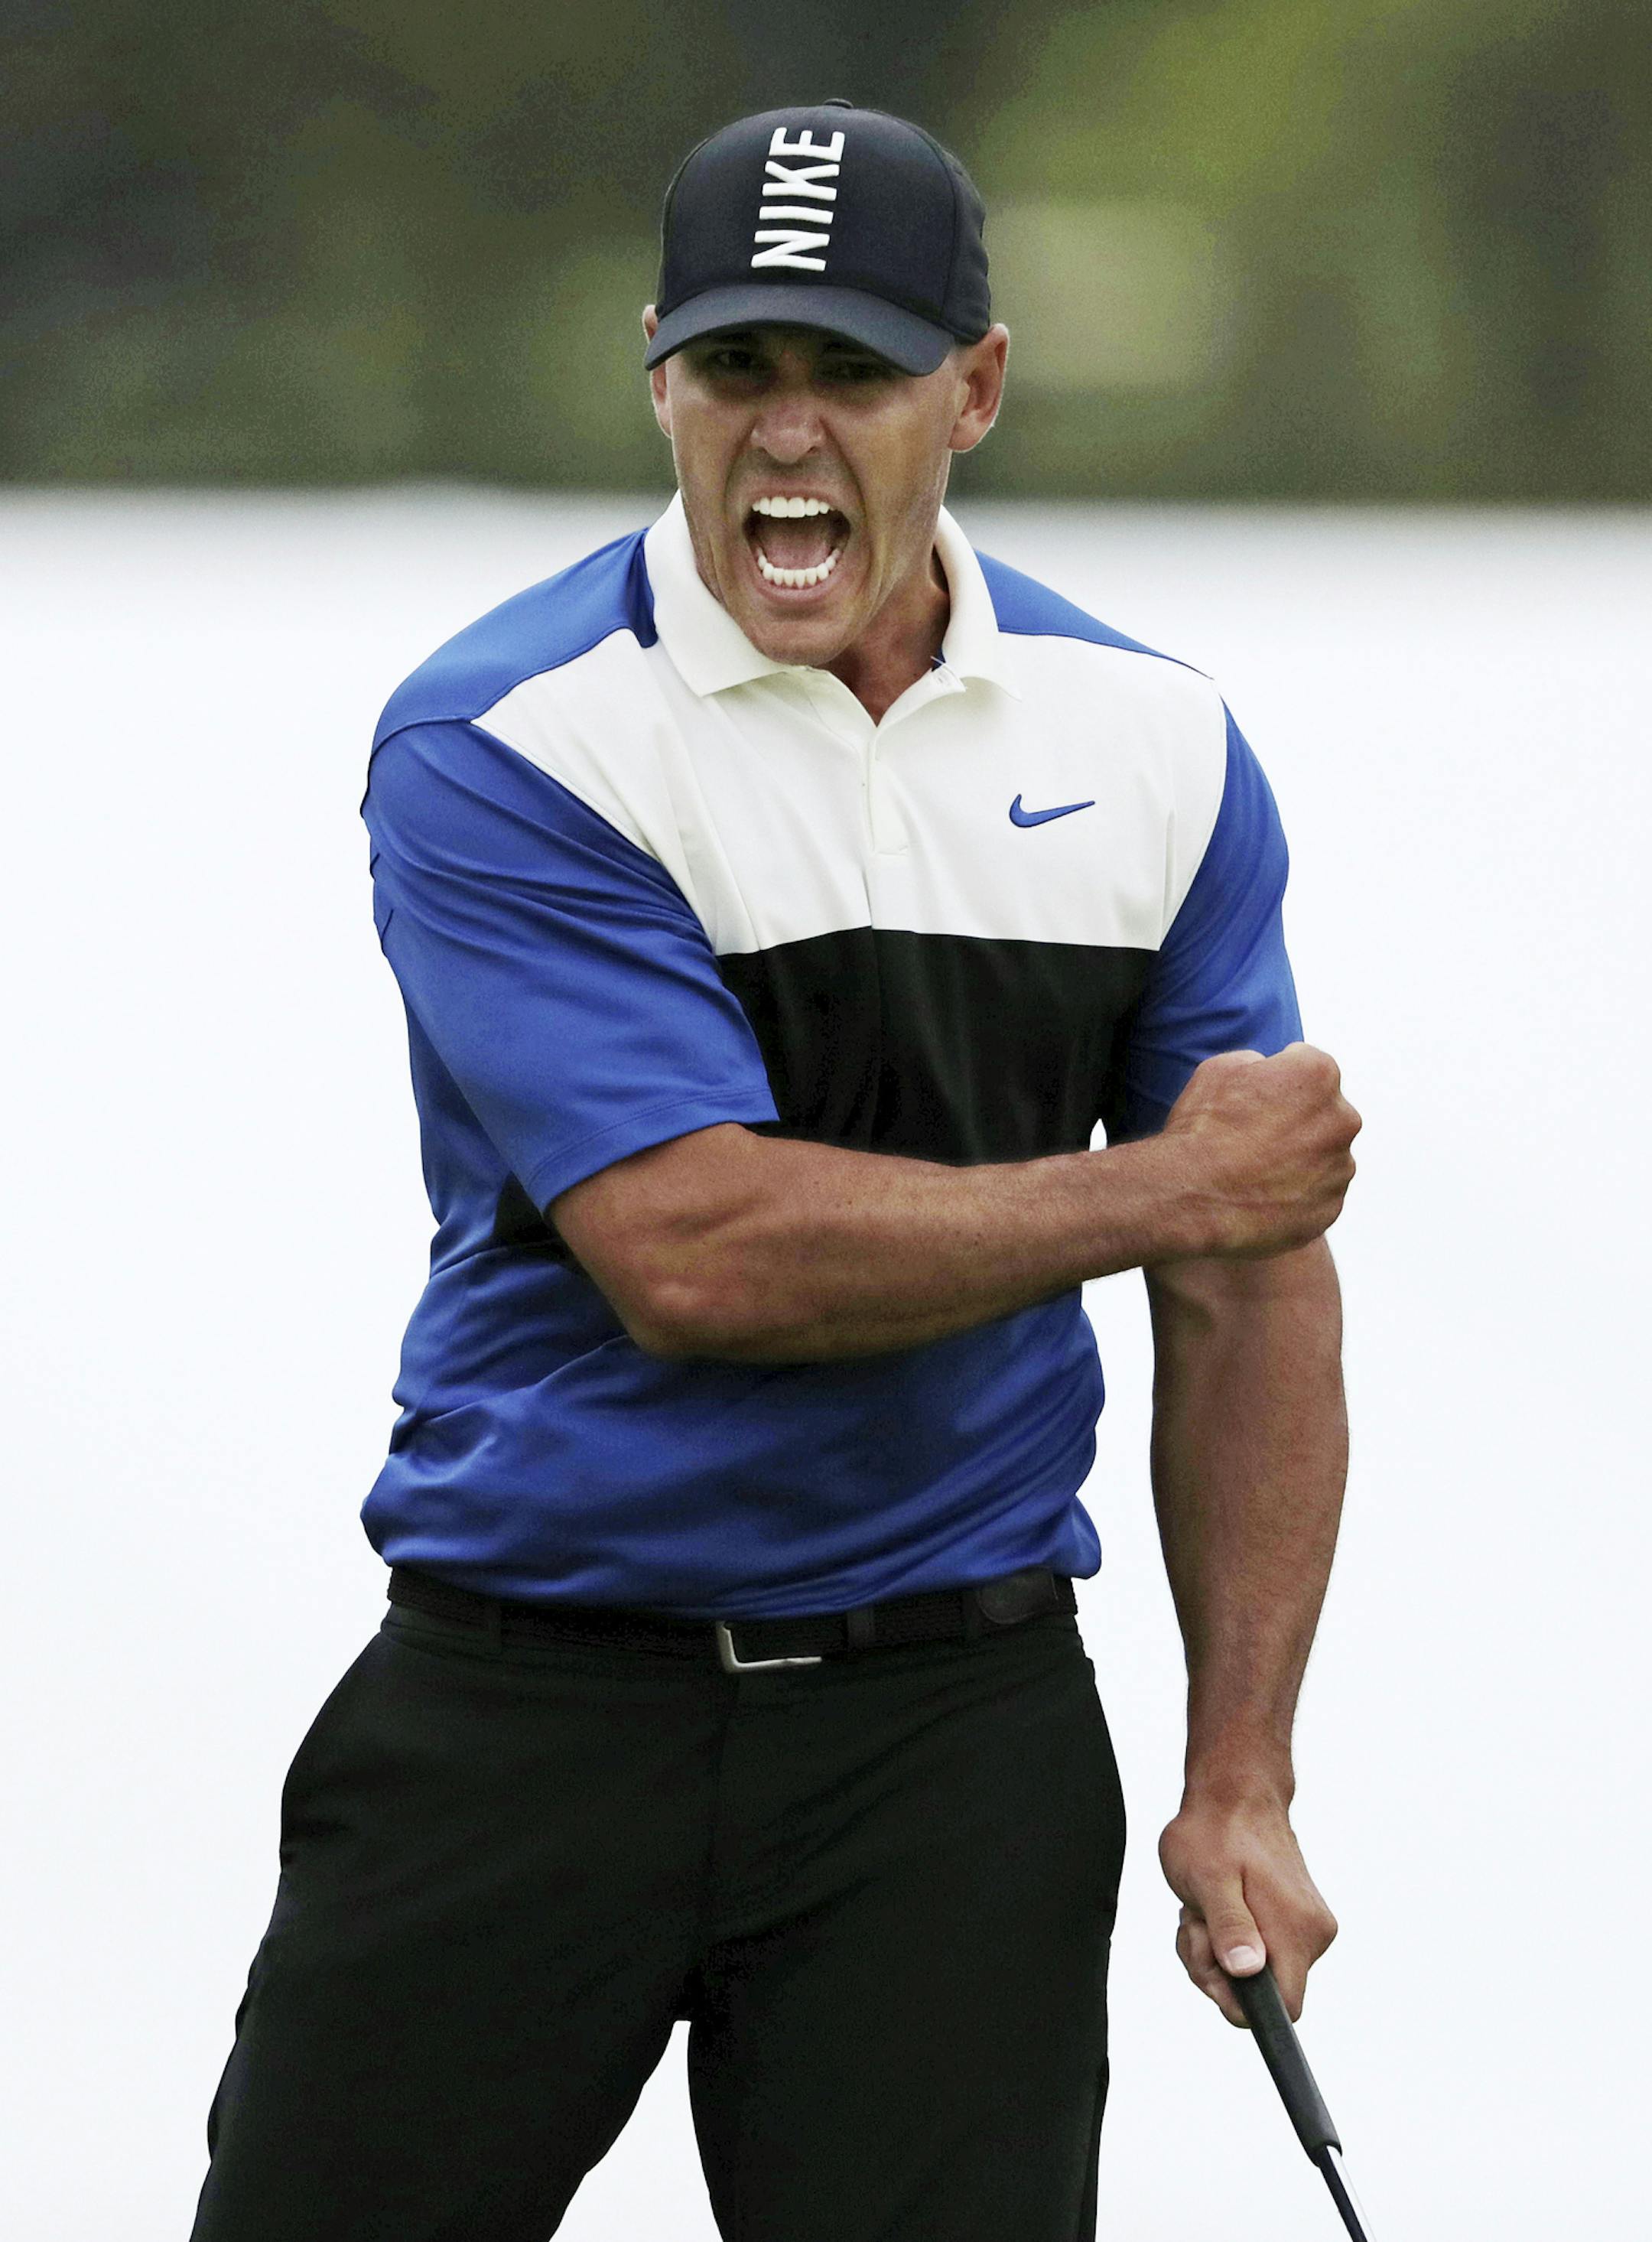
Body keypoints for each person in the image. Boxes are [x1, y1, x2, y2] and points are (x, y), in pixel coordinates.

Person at [190, 99, 1360, 2242]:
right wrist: (1164, 1192)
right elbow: (701, 1250)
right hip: (525, 1707)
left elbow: (1255, 1278)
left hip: (952, 1733)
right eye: (737, 370)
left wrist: (1244, 1773)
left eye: (854, 372)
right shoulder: (512, 739)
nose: (787, 432)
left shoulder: (1158, 747)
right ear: (661, 376)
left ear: (976, 390)